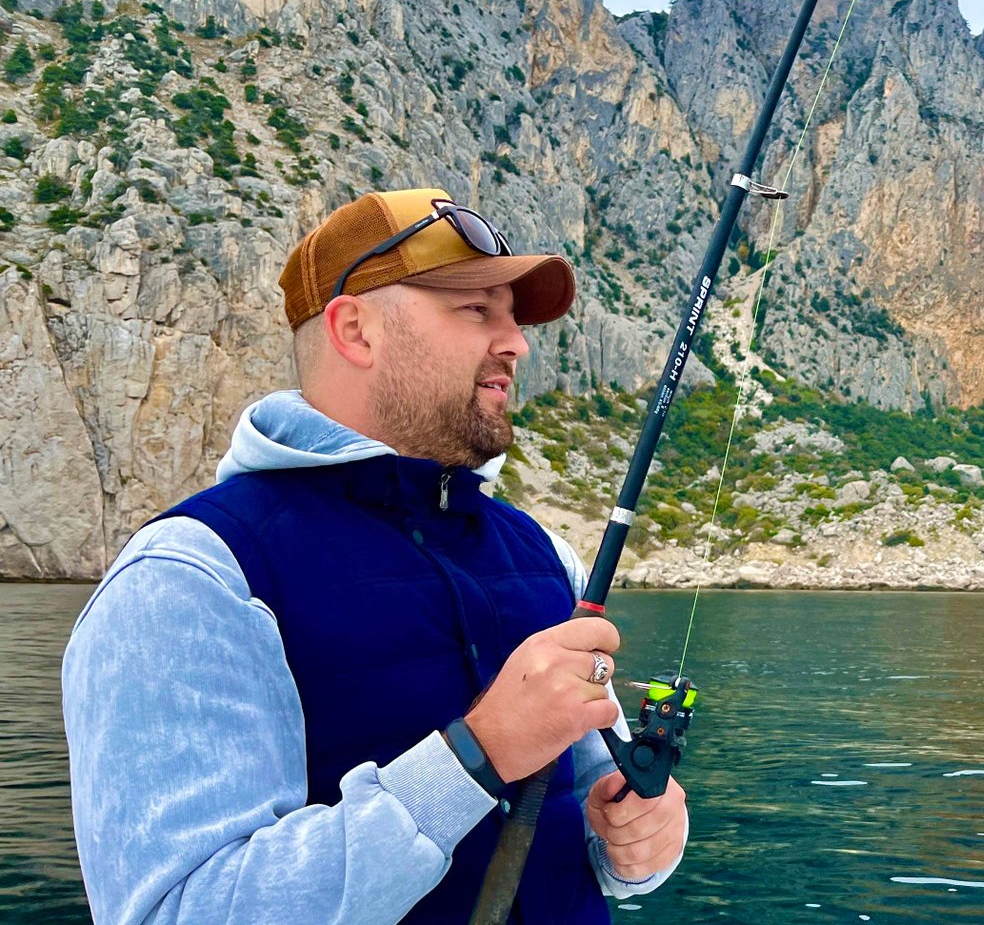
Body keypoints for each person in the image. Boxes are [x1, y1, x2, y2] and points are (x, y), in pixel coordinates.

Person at [62, 188, 688, 923]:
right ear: (356, 330)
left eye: (513, 317)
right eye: (477, 310)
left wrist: (635, 842)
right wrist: (475, 756)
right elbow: (178, 910)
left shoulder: (546, 557)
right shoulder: (192, 577)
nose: (516, 342)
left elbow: (588, 803)